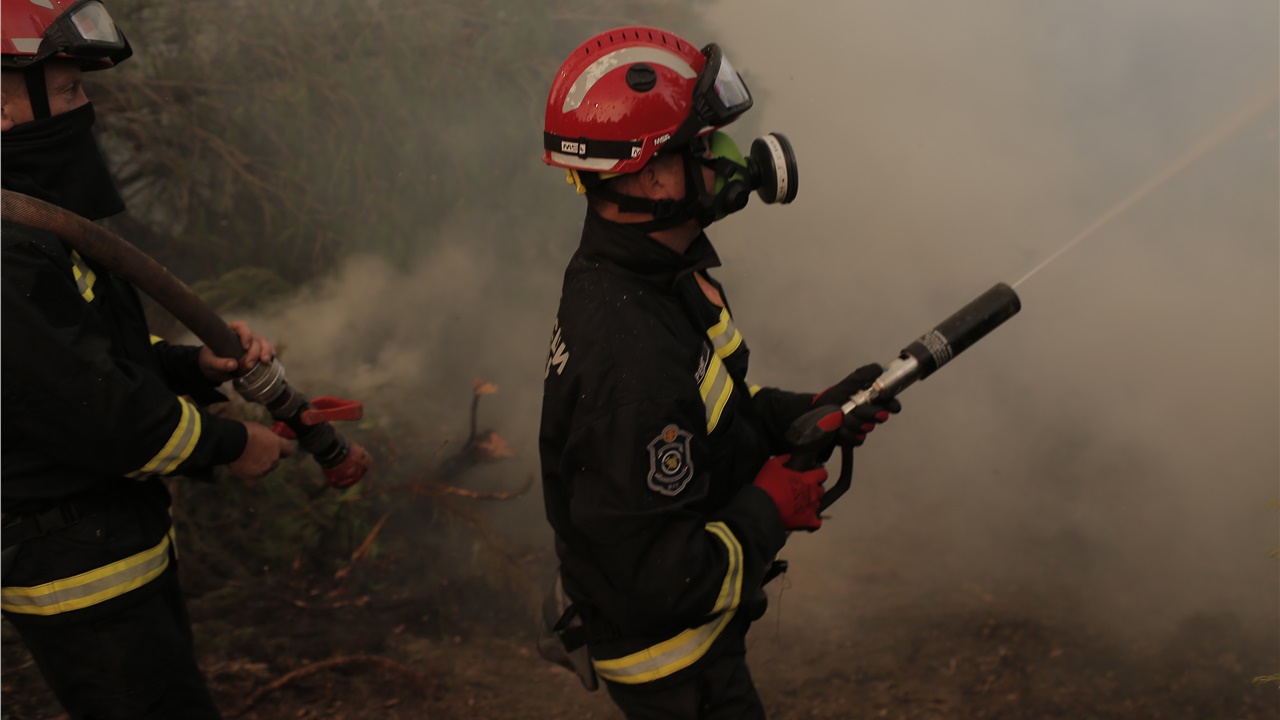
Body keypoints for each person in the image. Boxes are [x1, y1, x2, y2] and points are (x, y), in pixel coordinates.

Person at [537, 26, 902, 719]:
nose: (729, 158)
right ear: (648, 175)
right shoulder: (630, 353)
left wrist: (810, 411)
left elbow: (707, 412)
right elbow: (657, 577)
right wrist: (770, 504)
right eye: (702, 147)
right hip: (674, 668)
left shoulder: (648, 273)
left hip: (694, 651)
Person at [1, 1, 294, 717]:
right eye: (69, 91)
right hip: (78, 569)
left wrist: (196, 368)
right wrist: (231, 443)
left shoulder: (30, 223)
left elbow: (94, 354)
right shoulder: (6, 247)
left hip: (108, 548)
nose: (85, 107)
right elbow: (92, 406)